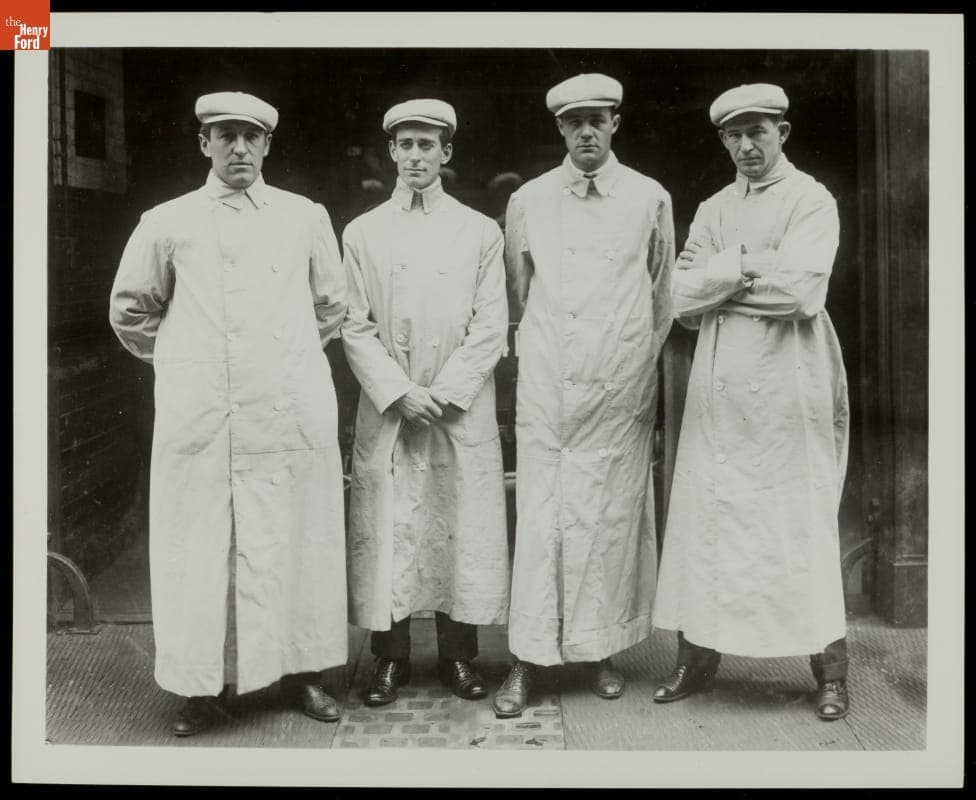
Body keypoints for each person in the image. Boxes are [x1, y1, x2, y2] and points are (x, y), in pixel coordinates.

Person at [108, 91, 349, 737]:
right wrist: (191, 361)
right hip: (204, 417)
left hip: (287, 412)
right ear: (203, 144)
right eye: (225, 135)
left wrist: (281, 361)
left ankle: (305, 675)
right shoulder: (168, 220)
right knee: (202, 548)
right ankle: (199, 690)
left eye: (251, 136)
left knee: (295, 542)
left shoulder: (304, 217)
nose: (238, 147)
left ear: (268, 144)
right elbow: (130, 310)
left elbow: (332, 306)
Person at [651, 83, 852, 721]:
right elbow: (678, 299)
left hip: (791, 382)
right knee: (711, 518)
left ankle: (829, 670)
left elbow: (799, 295)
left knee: (796, 517)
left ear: (781, 133)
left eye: (757, 132)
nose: (745, 146)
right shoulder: (712, 208)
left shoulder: (811, 199)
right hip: (721, 383)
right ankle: (698, 656)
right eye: (733, 136)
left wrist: (724, 276)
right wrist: (746, 266)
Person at [494, 73, 675, 717]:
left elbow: (662, 299)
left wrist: (628, 365)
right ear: (560, 129)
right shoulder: (530, 201)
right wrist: (554, 354)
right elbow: (520, 293)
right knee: (543, 519)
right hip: (549, 383)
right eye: (575, 123)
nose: (587, 132)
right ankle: (528, 659)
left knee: (608, 520)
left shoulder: (650, 197)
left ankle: (599, 651)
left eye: (598, 120)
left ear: (616, 123)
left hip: (620, 385)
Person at [341, 99, 510, 707]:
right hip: (392, 410)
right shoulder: (362, 232)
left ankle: (459, 656)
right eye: (405, 145)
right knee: (390, 531)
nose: (416, 155)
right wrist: (399, 393)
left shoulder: (479, 230)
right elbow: (352, 325)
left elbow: (493, 323)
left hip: (455, 409)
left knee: (456, 527)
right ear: (391, 152)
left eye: (427, 145)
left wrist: (443, 393)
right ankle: (389, 660)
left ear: (446, 153)